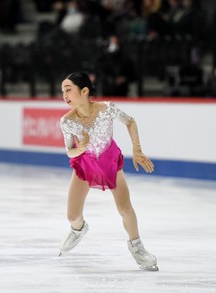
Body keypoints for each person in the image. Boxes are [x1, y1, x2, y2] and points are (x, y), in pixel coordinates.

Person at [58, 72, 158, 271]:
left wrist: (137, 150)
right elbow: (70, 151)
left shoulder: (107, 109)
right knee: (72, 216)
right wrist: (81, 148)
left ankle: (137, 247)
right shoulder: (66, 121)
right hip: (85, 165)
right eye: (63, 91)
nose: (65, 95)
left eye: (68, 89)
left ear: (84, 91)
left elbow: (130, 121)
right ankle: (78, 229)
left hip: (110, 162)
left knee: (125, 209)